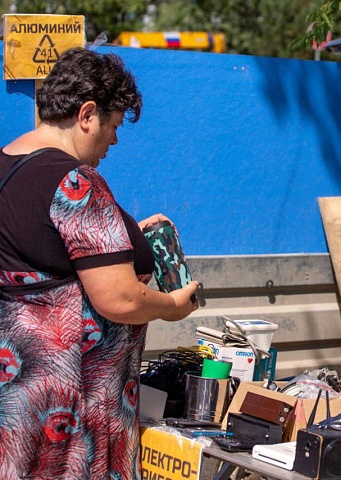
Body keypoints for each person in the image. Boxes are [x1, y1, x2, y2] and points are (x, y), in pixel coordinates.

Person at [0, 48, 199, 478]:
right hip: (74, 411)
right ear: (87, 114)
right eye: (111, 125)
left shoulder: (6, 166)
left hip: (18, 402)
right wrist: (174, 306)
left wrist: (128, 235)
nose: (114, 140)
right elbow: (120, 299)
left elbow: (46, 251)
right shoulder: (75, 181)